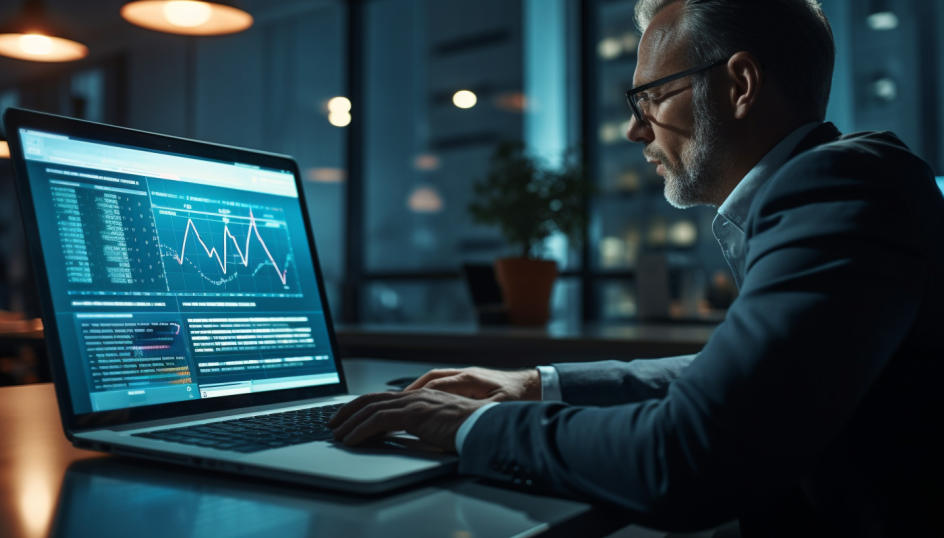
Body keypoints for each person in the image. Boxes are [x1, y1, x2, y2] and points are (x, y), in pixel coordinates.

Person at [330, 0, 944, 534]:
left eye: (650, 96)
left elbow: (687, 457)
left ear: (741, 85)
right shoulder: (842, 188)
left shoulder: (838, 187)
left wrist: (479, 427)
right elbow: (732, 377)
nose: (632, 129)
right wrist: (539, 384)